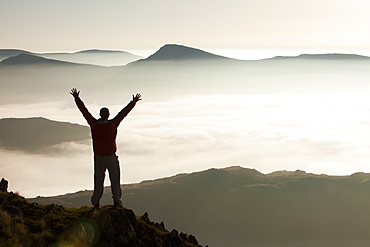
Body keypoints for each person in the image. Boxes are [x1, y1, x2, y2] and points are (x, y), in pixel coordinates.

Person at [70, 88, 142, 209]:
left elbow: (84, 111)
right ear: (108, 115)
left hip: (98, 157)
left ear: (100, 115)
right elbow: (123, 113)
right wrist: (133, 102)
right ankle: (117, 201)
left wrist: (76, 98)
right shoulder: (112, 124)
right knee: (115, 180)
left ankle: (96, 203)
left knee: (98, 181)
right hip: (111, 157)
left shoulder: (93, 124)